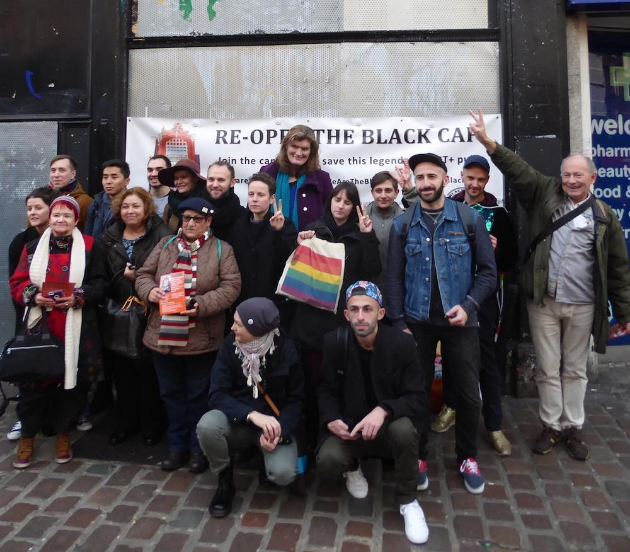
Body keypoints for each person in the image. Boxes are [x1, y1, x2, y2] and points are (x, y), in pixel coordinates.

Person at [469, 108, 630, 461]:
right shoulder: (545, 193)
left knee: (574, 368)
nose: (571, 180)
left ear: (593, 178)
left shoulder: (605, 216)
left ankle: (572, 425)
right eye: (566, 175)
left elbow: (618, 267)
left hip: (585, 304)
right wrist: (488, 143)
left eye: (578, 175)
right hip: (543, 301)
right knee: (546, 366)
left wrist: (623, 311)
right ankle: (551, 425)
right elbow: (518, 169)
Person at [388, 152, 497, 495]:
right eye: (420, 178)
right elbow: (393, 279)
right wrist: (399, 323)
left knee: (467, 393)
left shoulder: (468, 219)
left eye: (432, 177)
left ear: (445, 180)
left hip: (461, 320)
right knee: (416, 392)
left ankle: (467, 457)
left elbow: (488, 273)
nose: (426, 184)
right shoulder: (403, 224)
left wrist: (468, 306)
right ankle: (418, 456)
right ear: (414, 182)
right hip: (417, 321)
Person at [317, 282, 428, 545]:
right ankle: (353, 469)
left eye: (368, 309)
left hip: (388, 427)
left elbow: (418, 398)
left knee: (404, 430)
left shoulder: (401, 344)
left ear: (381, 313)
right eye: (354, 310)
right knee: (328, 458)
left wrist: (385, 409)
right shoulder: (335, 342)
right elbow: (326, 389)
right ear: (346, 314)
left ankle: (408, 501)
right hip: (352, 428)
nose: (360, 316)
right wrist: (331, 418)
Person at [135, 197, 241, 473]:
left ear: (208, 221)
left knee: (198, 395)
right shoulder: (166, 245)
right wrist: (150, 292)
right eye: (186, 219)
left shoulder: (222, 249)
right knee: (170, 394)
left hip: (201, 337)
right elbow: (143, 274)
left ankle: (198, 449)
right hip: (163, 334)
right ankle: (176, 446)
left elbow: (231, 287)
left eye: (197, 219)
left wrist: (201, 305)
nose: (191, 223)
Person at [9, 196, 105, 469]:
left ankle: (63, 433)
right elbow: (18, 281)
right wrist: (33, 296)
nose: (60, 220)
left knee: (69, 384)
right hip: (39, 325)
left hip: (74, 326)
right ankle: (28, 436)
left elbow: (100, 282)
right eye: (56, 215)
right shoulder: (31, 247)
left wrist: (79, 296)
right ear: (49, 218)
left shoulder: (89, 246)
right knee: (33, 384)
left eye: (66, 215)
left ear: (76, 220)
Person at [431, 155, 518, 457]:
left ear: (487, 180)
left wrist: (496, 249)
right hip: (452, 293)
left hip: (484, 300)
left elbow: (510, 261)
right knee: (453, 355)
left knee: (486, 361)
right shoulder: (449, 206)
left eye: (481, 179)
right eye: (470, 178)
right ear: (461, 176)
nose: (475, 184)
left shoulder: (498, 213)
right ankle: (451, 406)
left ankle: (493, 424)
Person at [292, 181, 381, 445]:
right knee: (309, 383)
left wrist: (367, 236)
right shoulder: (312, 230)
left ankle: (337, 439)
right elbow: (294, 271)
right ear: (329, 201)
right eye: (337, 199)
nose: (341, 206)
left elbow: (371, 272)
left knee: (337, 384)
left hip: (341, 324)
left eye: (347, 202)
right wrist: (299, 244)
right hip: (309, 322)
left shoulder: (359, 232)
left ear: (354, 207)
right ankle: (307, 442)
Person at [197, 298, 303, 518]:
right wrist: (251, 415)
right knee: (207, 426)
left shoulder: (286, 350)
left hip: (273, 427)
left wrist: (279, 430)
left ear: (256, 328)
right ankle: (225, 479)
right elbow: (217, 394)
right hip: (240, 421)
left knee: (283, 474)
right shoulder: (230, 345)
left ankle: (267, 460)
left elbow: (297, 399)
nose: (232, 327)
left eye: (239, 324)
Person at [97, 187, 173, 446]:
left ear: (146, 209)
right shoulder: (109, 236)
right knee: (122, 371)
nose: (131, 211)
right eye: (126, 206)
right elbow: (102, 275)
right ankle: (126, 423)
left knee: (149, 371)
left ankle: (151, 424)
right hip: (120, 311)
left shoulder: (162, 234)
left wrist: (138, 275)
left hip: (151, 311)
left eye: (136, 206)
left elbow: (170, 270)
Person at [6, 187, 61, 443]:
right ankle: (27, 425)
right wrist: (32, 297)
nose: (33, 212)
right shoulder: (22, 242)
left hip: (63, 315)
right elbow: (16, 281)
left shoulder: (71, 241)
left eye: (38, 207)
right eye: (29, 208)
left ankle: (57, 424)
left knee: (59, 372)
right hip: (32, 315)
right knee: (32, 371)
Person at [229, 172, 297, 325]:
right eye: (251, 194)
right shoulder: (238, 226)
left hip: (274, 304)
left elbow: (288, 263)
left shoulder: (286, 225)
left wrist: (277, 232)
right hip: (243, 303)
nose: (254, 199)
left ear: (272, 198)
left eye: (260, 194)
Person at [260, 125, 333, 232]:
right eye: (294, 146)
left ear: (311, 152)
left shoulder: (322, 179)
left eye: (304, 149)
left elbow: (330, 217)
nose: (298, 153)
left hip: (309, 245)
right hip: (270, 245)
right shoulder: (267, 173)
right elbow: (253, 211)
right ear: (286, 147)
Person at [365, 171, 404, 309]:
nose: (383, 195)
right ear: (372, 192)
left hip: (398, 290)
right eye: (378, 191)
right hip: (368, 289)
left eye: (388, 190)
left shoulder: (405, 218)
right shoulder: (361, 218)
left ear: (396, 192)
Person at [85, 159, 131, 242]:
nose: (108, 182)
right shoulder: (96, 203)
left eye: (114, 177)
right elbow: (87, 234)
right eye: (105, 177)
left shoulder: (132, 205)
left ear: (126, 181)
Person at [160, 159, 210, 232]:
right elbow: (164, 233)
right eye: (176, 178)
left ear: (195, 178)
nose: (179, 182)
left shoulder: (207, 204)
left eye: (184, 177)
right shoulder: (170, 205)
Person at [205, 161, 247, 243]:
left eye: (221, 180)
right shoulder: (195, 209)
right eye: (211, 179)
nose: (215, 184)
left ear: (232, 182)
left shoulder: (242, 216)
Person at [48, 155, 93, 231]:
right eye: (53, 170)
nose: (56, 175)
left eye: (62, 170)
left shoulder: (84, 202)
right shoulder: (43, 198)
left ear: (73, 174)